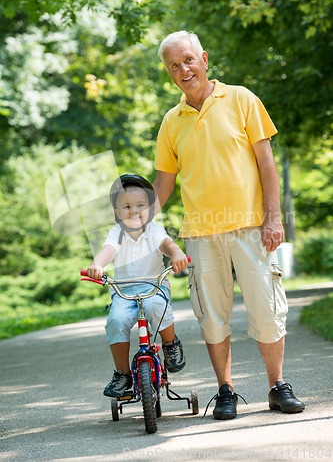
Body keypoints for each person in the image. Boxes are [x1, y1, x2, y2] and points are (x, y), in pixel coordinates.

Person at [152, 30, 305, 419]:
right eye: (174, 65)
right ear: (169, 74)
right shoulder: (171, 122)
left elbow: (266, 164)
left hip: (252, 227)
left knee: (267, 309)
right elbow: (163, 183)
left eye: (188, 59)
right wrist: (134, 220)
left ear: (203, 58)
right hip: (201, 234)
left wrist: (274, 218)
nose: (183, 69)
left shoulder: (242, 99)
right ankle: (226, 390)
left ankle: (277, 386)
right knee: (212, 316)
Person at [87, 173, 188, 397]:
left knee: (156, 307)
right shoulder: (117, 233)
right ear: (117, 212)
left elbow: (166, 244)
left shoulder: (154, 230)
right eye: (126, 206)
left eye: (140, 205)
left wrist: (177, 253)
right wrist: (97, 264)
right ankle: (122, 373)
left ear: (151, 209)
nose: (134, 211)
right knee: (116, 320)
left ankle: (170, 344)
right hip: (124, 291)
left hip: (153, 285)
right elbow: (108, 251)